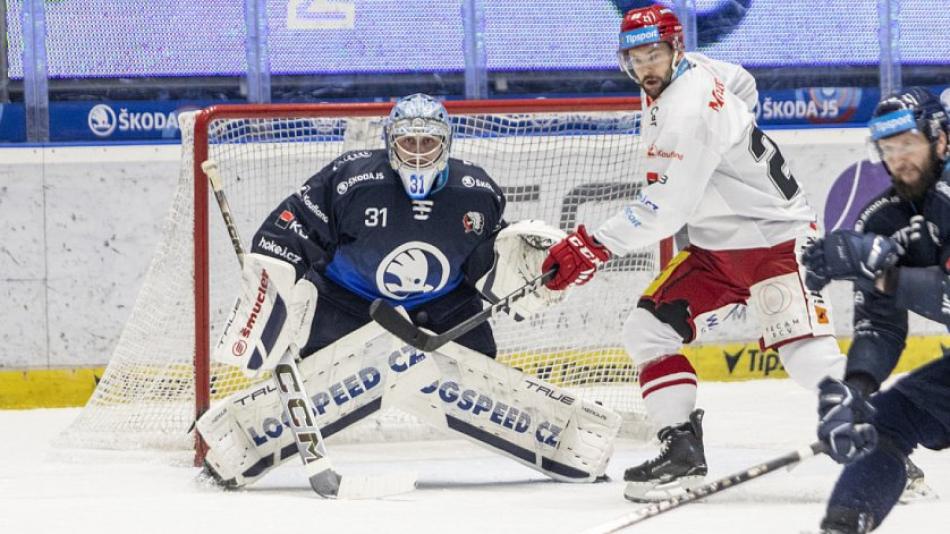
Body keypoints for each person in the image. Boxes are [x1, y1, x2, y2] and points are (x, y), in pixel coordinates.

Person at [195, 93, 621, 488]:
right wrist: (272, 282)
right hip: (348, 299)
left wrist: (522, 271)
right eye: (408, 143)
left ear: (446, 144)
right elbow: (291, 230)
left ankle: (554, 436)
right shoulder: (351, 180)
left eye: (427, 143)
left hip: (445, 303)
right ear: (389, 143)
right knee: (317, 377)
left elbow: (483, 261)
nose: (418, 153)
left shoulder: (477, 192)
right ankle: (245, 437)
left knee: (481, 374)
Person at [540, 4, 847, 501]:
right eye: (635, 58)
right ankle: (682, 452)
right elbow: (742, 82)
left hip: (775, 241)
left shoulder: (687, 111)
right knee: (648, 331)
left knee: (806, 357)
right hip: (716, 249)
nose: (646, 68)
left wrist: (592, 247)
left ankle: (886, 448)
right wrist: (735, 133)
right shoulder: (699, 69)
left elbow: (664, 212)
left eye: (654, 54)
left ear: (675, 49)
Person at [802, 87, 949, 533]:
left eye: (908, 143)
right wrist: (857, 390)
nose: (898, 158)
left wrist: (887, 274)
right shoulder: (884, 220)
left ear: (941, 139)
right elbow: (880, 324)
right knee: (885, 422)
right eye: (888, 148)